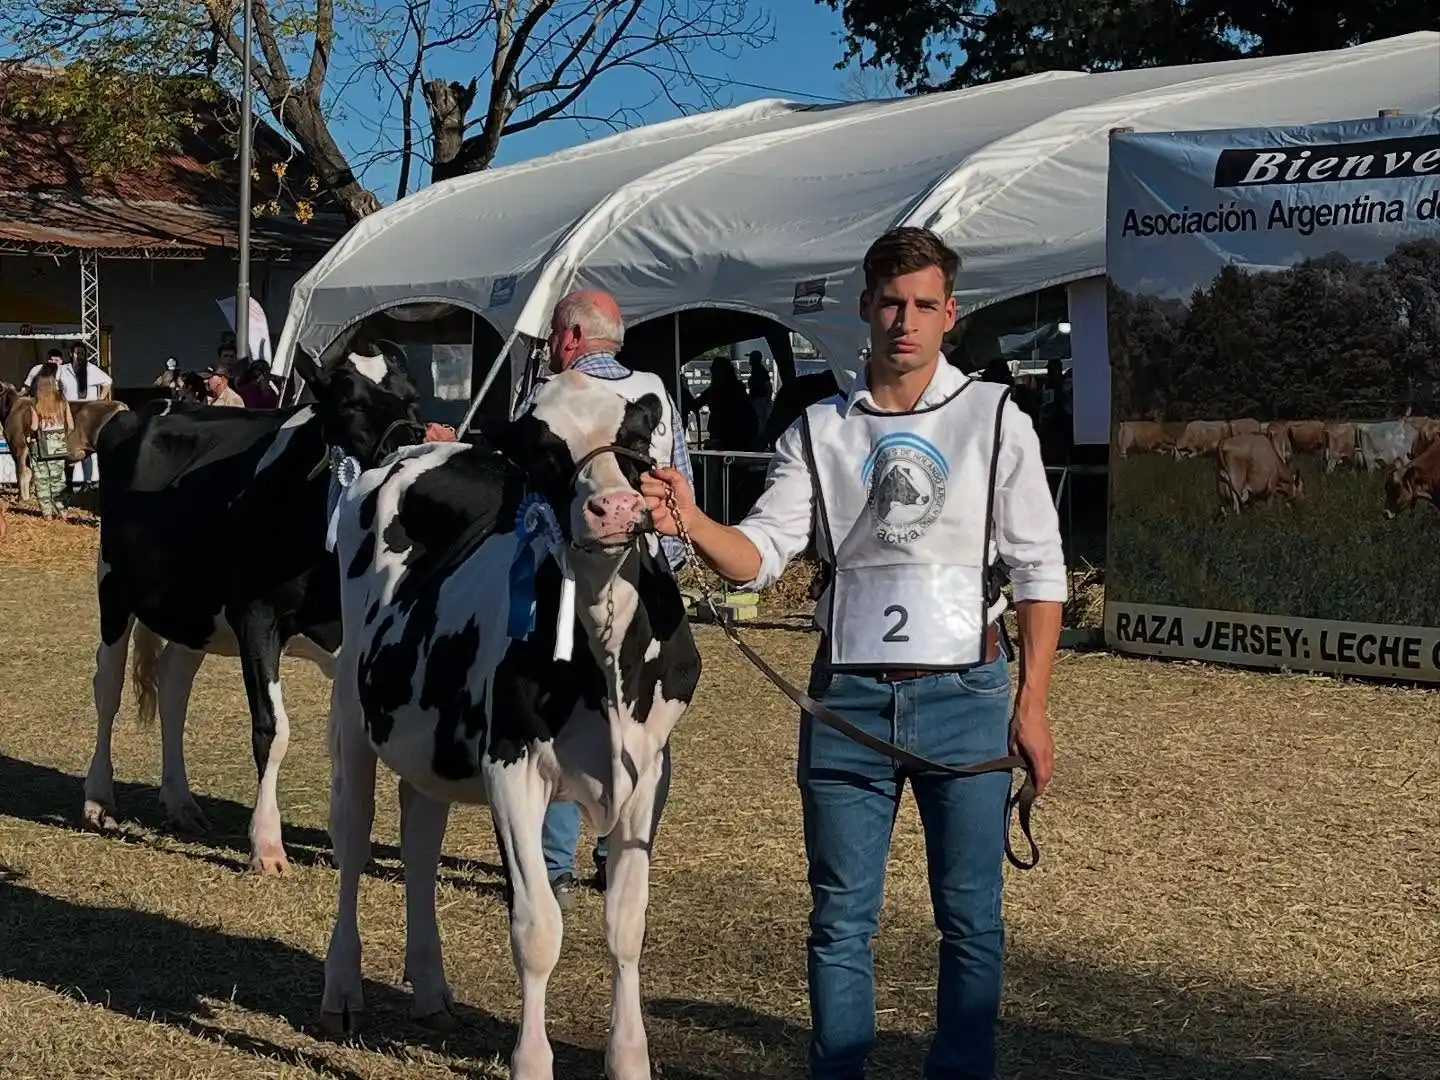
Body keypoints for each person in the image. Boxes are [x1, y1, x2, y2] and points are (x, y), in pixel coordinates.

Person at [640, 226, 1065, 1080]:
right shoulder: (820, 430)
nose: (904, 322)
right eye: (889, 305)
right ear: (865, 310)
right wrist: (690, 518)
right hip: (846, 701)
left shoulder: (994, 417)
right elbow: (762, 550)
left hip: (967, 697)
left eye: (922, 306)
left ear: (950, 314)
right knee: (840, 921)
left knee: (971, 920)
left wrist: (1032, 701)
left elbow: (1037, 566)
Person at [516, 288, 694, 913]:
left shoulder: (551, 394)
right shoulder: (656, 390)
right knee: (645, 718)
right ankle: (621, 850)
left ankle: (555, 864)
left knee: (563, 714)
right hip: (644, 580)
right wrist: (667, 571)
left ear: (568, 338)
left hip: (570, 579)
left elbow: (525, 502)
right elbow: (682, 485)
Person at [27, 370, 74, 520]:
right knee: (58, 480)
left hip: (39, 448)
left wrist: (28, 433)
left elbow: (34, 427)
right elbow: (71, 425)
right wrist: (62, 437)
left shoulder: (34, 403)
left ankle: (47, 514)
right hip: (57, 448)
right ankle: (63, 512)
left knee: (42, 481)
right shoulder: (62, 402)